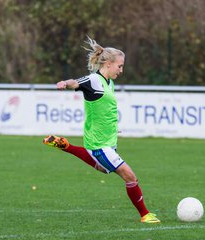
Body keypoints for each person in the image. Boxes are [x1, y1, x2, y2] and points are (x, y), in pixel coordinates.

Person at [43, 36, 160, 224]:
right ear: (107, 63)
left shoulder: (109, 83)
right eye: (119, 66)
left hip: (107, 141)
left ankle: (66, 146)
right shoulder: (93, 80)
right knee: (130, 176)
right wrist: (65, 83)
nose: (121, 70)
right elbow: (76, 82)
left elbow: (103, 110)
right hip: (98, 143)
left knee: (103, 169)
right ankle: (145, 214)